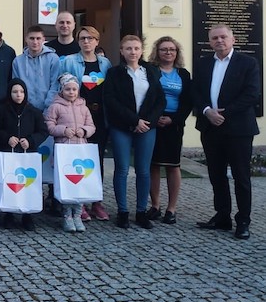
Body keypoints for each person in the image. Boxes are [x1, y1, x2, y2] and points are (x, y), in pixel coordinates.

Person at [193, 25, 260, 240]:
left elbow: (252, 94)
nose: (219, 41)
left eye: (223, 37)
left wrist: (224, 113)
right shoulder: (204, 63)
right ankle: (222, 216)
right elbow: (196, 92)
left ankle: (243, 221)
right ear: (210, 41)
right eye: (215, 38)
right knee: (216, 174)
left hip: (238, 128)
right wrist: (206, 112)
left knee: (241, 176)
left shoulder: (248, 63)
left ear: (233, 39)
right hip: (210, 128)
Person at [103, 35, 165, 230]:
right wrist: (134, 120)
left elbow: (160, 101)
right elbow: (111, 101)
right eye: (128, 48)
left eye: (136, 48)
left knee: (143, 170)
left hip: (147, 127)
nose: (132, 52)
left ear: (141, 50)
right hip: (122, 126)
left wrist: (147, 122)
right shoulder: (114, 73)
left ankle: (141, 212)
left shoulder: (152, 71)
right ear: (121, 51)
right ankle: (122, 212)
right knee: (121, 169)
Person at [60, 26, 112, 221]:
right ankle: (79, 202)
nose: (86, 41)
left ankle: (96, 202)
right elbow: (62, 86)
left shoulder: (105, 63)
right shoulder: (69, 61)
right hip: (78, 114)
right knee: (78, 159)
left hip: (99, 117)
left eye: (90, 38)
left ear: (97, 41)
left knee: (96, 159)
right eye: (82, 38)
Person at [146, 37, 192, 225]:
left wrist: (174, 119)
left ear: (177, 52)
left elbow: (188, 101)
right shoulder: (150, 71)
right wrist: (154, 118)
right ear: (157, 51)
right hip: (153, 120)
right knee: (153, 165)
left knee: (173, 165)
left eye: (172, 49)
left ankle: (171, 209)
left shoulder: (183, 74)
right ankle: (155, 205)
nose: (168, 53)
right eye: (164, 49)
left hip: (174, 122)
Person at [0, 79, 47, 231]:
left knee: (27, 186)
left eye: (21, 92)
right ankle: (8, 214)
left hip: (27, 155)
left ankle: (27, 215)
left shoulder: (34, 112)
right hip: (8, 154)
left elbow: (43, 131)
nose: (18, 95)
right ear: (9, 93)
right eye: (15, 92)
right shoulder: (1, 111)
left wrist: (31, 141)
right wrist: (6, 138)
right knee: (9, 184)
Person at [44, 73, 96, 233]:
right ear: (62, 90)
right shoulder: (55, 106)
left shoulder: (84, 107)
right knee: (67, 185)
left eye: (74, 89)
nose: (71, 92)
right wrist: (63, 130)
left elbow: (92, 126)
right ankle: (67, 215)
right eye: (68, 89)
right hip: (64, 149)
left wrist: (84, 131)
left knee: (79, 185)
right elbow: (49, 125)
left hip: (80, 150)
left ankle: (78, 215)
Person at [11, 24, 59, 113]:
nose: (35, 42)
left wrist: (48, 104)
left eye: (38, 38)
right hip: (25, 109)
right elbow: (16, 85)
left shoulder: (53, 59)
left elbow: (55, 84)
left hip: (48, 108)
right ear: (26, 39)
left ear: (43, 39)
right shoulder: (18, 61)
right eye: (32, 38)